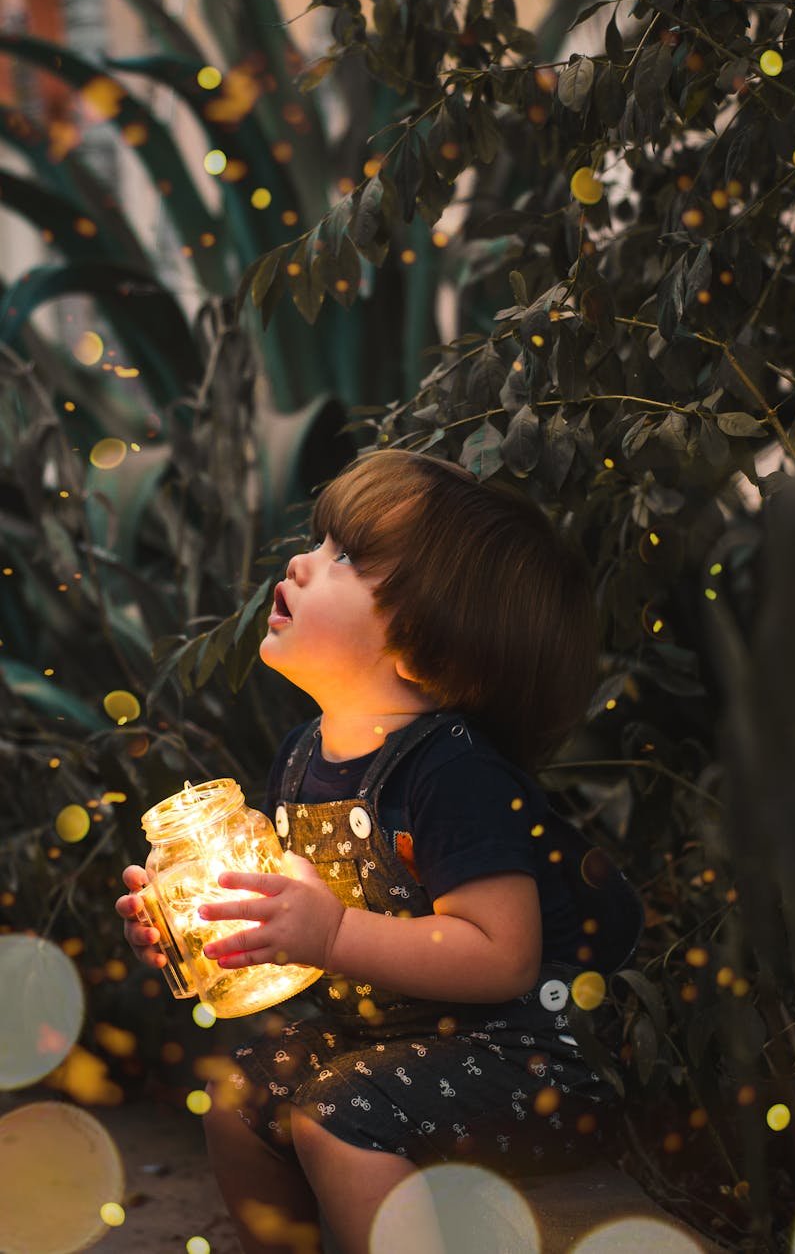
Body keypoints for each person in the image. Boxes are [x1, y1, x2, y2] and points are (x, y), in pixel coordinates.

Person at [117, 449, 630, 1254]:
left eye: (345, 558)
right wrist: (198, 921)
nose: (301, 562)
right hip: (386, 1046)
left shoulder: (454, 772)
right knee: (237, 1097)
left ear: (427, 650)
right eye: (319, 543)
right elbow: (291, 905)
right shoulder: (301, 755)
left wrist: (331, 935)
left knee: (336, 1116)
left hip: (525, 1064)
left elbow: (503, 957)